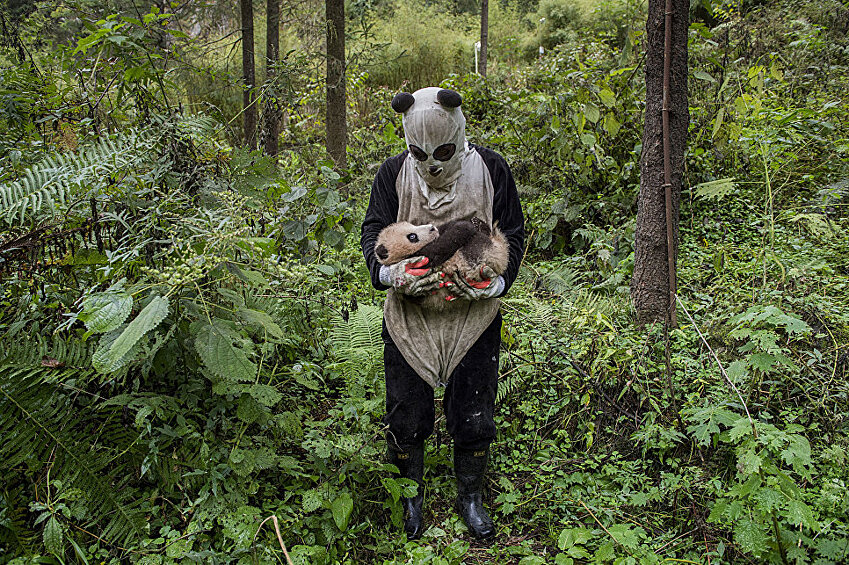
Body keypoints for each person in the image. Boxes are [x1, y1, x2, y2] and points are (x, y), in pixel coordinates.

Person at [360, 87, 524, 540]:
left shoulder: (491, 169)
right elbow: (373, 231)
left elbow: (513, 230)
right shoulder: (393, 174)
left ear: (458, 132)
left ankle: (469, 495)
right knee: (405, 415)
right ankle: (411, 496)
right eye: (419, 153)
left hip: (474, 319)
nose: (431, 164)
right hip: (409, 319)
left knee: (475, 414)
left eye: (443, 152)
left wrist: (497, 283)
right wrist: (390, 276)